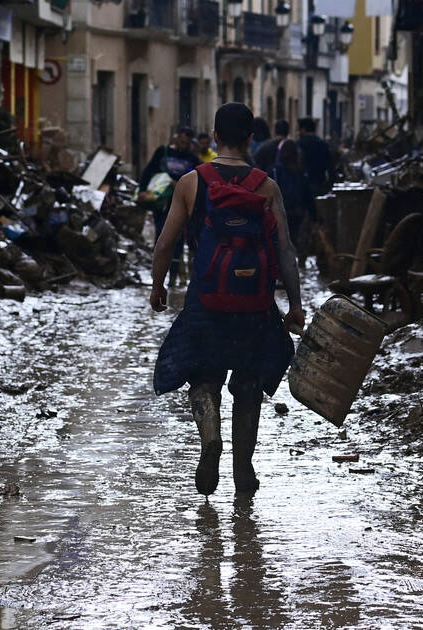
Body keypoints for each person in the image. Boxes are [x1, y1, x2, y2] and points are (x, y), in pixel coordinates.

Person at [151, 102, 306, 497]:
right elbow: (285, 250)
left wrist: (158, 286)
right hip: (254, 304)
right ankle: (243, 469)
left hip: (206, 301)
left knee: (203, 377)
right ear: (251, 138)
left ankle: (210, 439)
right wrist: (295, 304)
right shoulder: (266, 185)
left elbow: (165, 244)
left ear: (215, 136)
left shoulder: (191, 182)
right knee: (249, 384)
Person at [138, 126, 200, 283]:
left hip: (181, 203)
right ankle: (158, 276)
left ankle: (173, 276)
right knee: (161, 235)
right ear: (176, 138)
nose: (183, 145)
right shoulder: (162, 152)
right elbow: (149, 170)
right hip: (161, 202)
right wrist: (142, 190)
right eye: (181, 141)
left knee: (178, 239)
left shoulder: (192, 159)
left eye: (186, 143)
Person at [270, 139, 314, 255]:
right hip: (297, 212)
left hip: (280, 211)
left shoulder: (275, 170)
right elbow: (307, 195)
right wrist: (314, 215)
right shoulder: (300, 171)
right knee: (293, 238)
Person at [297, 117, 335, 194]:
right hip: (319, 183)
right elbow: (330, 166)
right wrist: (330, 184)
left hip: (302, 185)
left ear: (303, 129)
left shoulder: (299, 144)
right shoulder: (323, 144)